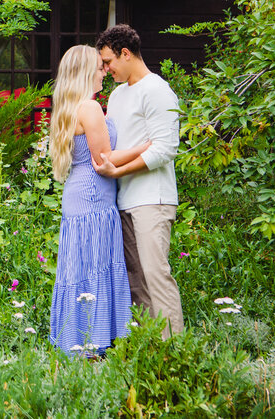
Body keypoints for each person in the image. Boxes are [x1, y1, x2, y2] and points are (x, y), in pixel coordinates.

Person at [47, 45, 150, 356]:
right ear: (84, 72)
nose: (105, 71)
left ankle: (77, 339)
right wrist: (148, 145)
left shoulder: (68, 107)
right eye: (99, 67)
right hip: (94, 198)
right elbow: (104, 159)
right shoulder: (89, 108)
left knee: (80, 268)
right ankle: (94, 343)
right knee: (96, 265)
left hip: (78, 198)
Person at [93, 24, 184, 337]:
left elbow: (166, 148)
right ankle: (151, 350)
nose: (106, 69)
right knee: (136, 279)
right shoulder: (118, 96)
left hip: (152, 199)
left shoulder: (157, 90)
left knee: (156, 275)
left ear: (126, 54)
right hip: (124, 199)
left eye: (108, 62)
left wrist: (118, 171)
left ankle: (175, 351)